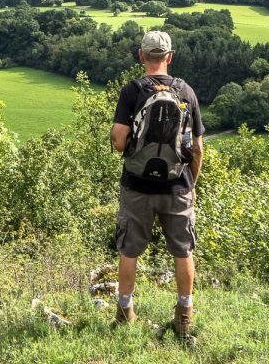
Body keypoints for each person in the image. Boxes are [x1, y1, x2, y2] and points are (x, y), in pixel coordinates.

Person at [110, 29, 204, 341]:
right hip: (177, 187)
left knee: (129, 250)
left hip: (137, 186)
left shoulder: (132, 90)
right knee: (182, 251)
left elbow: (119, 142)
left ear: (141, 56)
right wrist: (190, 183)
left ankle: (125, 312)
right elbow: (199, 148)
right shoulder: (185, 91)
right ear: (169, 57)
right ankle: (184, 316)